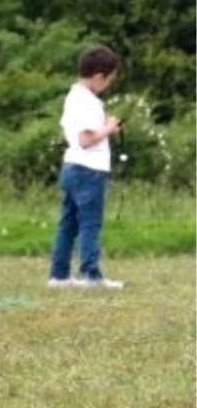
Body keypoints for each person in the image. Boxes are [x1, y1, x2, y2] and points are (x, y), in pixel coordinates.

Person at [48, 45, 124, 289]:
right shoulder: (90, 102)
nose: (109, 84)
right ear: (100, 76)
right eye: (109, 79)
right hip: (89, 171)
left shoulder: (73, 96)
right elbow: (86, 139)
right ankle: (92, 275)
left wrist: (105, 127)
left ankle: (58, 275)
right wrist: (109, 127)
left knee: (68, 223)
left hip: (72, 167)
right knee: (90, 224)